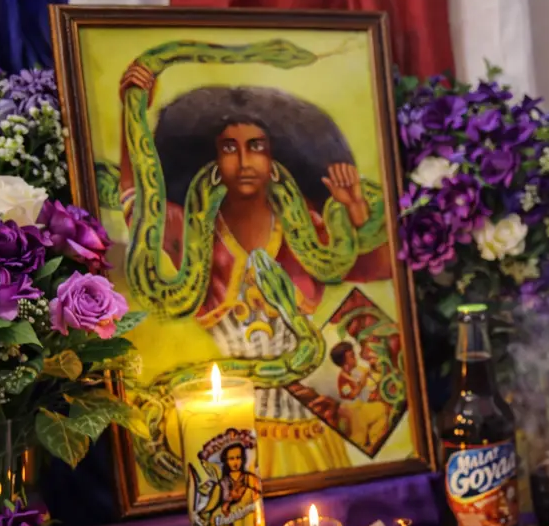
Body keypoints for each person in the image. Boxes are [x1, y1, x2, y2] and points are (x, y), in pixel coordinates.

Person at [119, 65, 392, 478]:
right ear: (212, 160)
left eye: (257, 146)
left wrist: (354, 208)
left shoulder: (310, 231)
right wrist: (133, 112)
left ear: (274, 158)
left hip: (308, 431)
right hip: (227, 436)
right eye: (229, 148)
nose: (245, 160)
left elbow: (379, 265)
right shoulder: (191, 231)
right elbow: (138, 202)